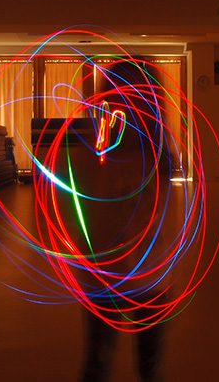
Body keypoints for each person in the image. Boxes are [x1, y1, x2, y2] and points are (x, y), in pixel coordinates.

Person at [39, 59, 178, 382]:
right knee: (98, 360)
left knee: (149, 365)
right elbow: (80, 210)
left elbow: (162, 216)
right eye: (120, 92)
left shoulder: (158, 157)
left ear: (152, 102)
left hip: (148, 276)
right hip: (103, 277)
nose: (127, 102)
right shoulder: (92, 153)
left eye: (137, 94)